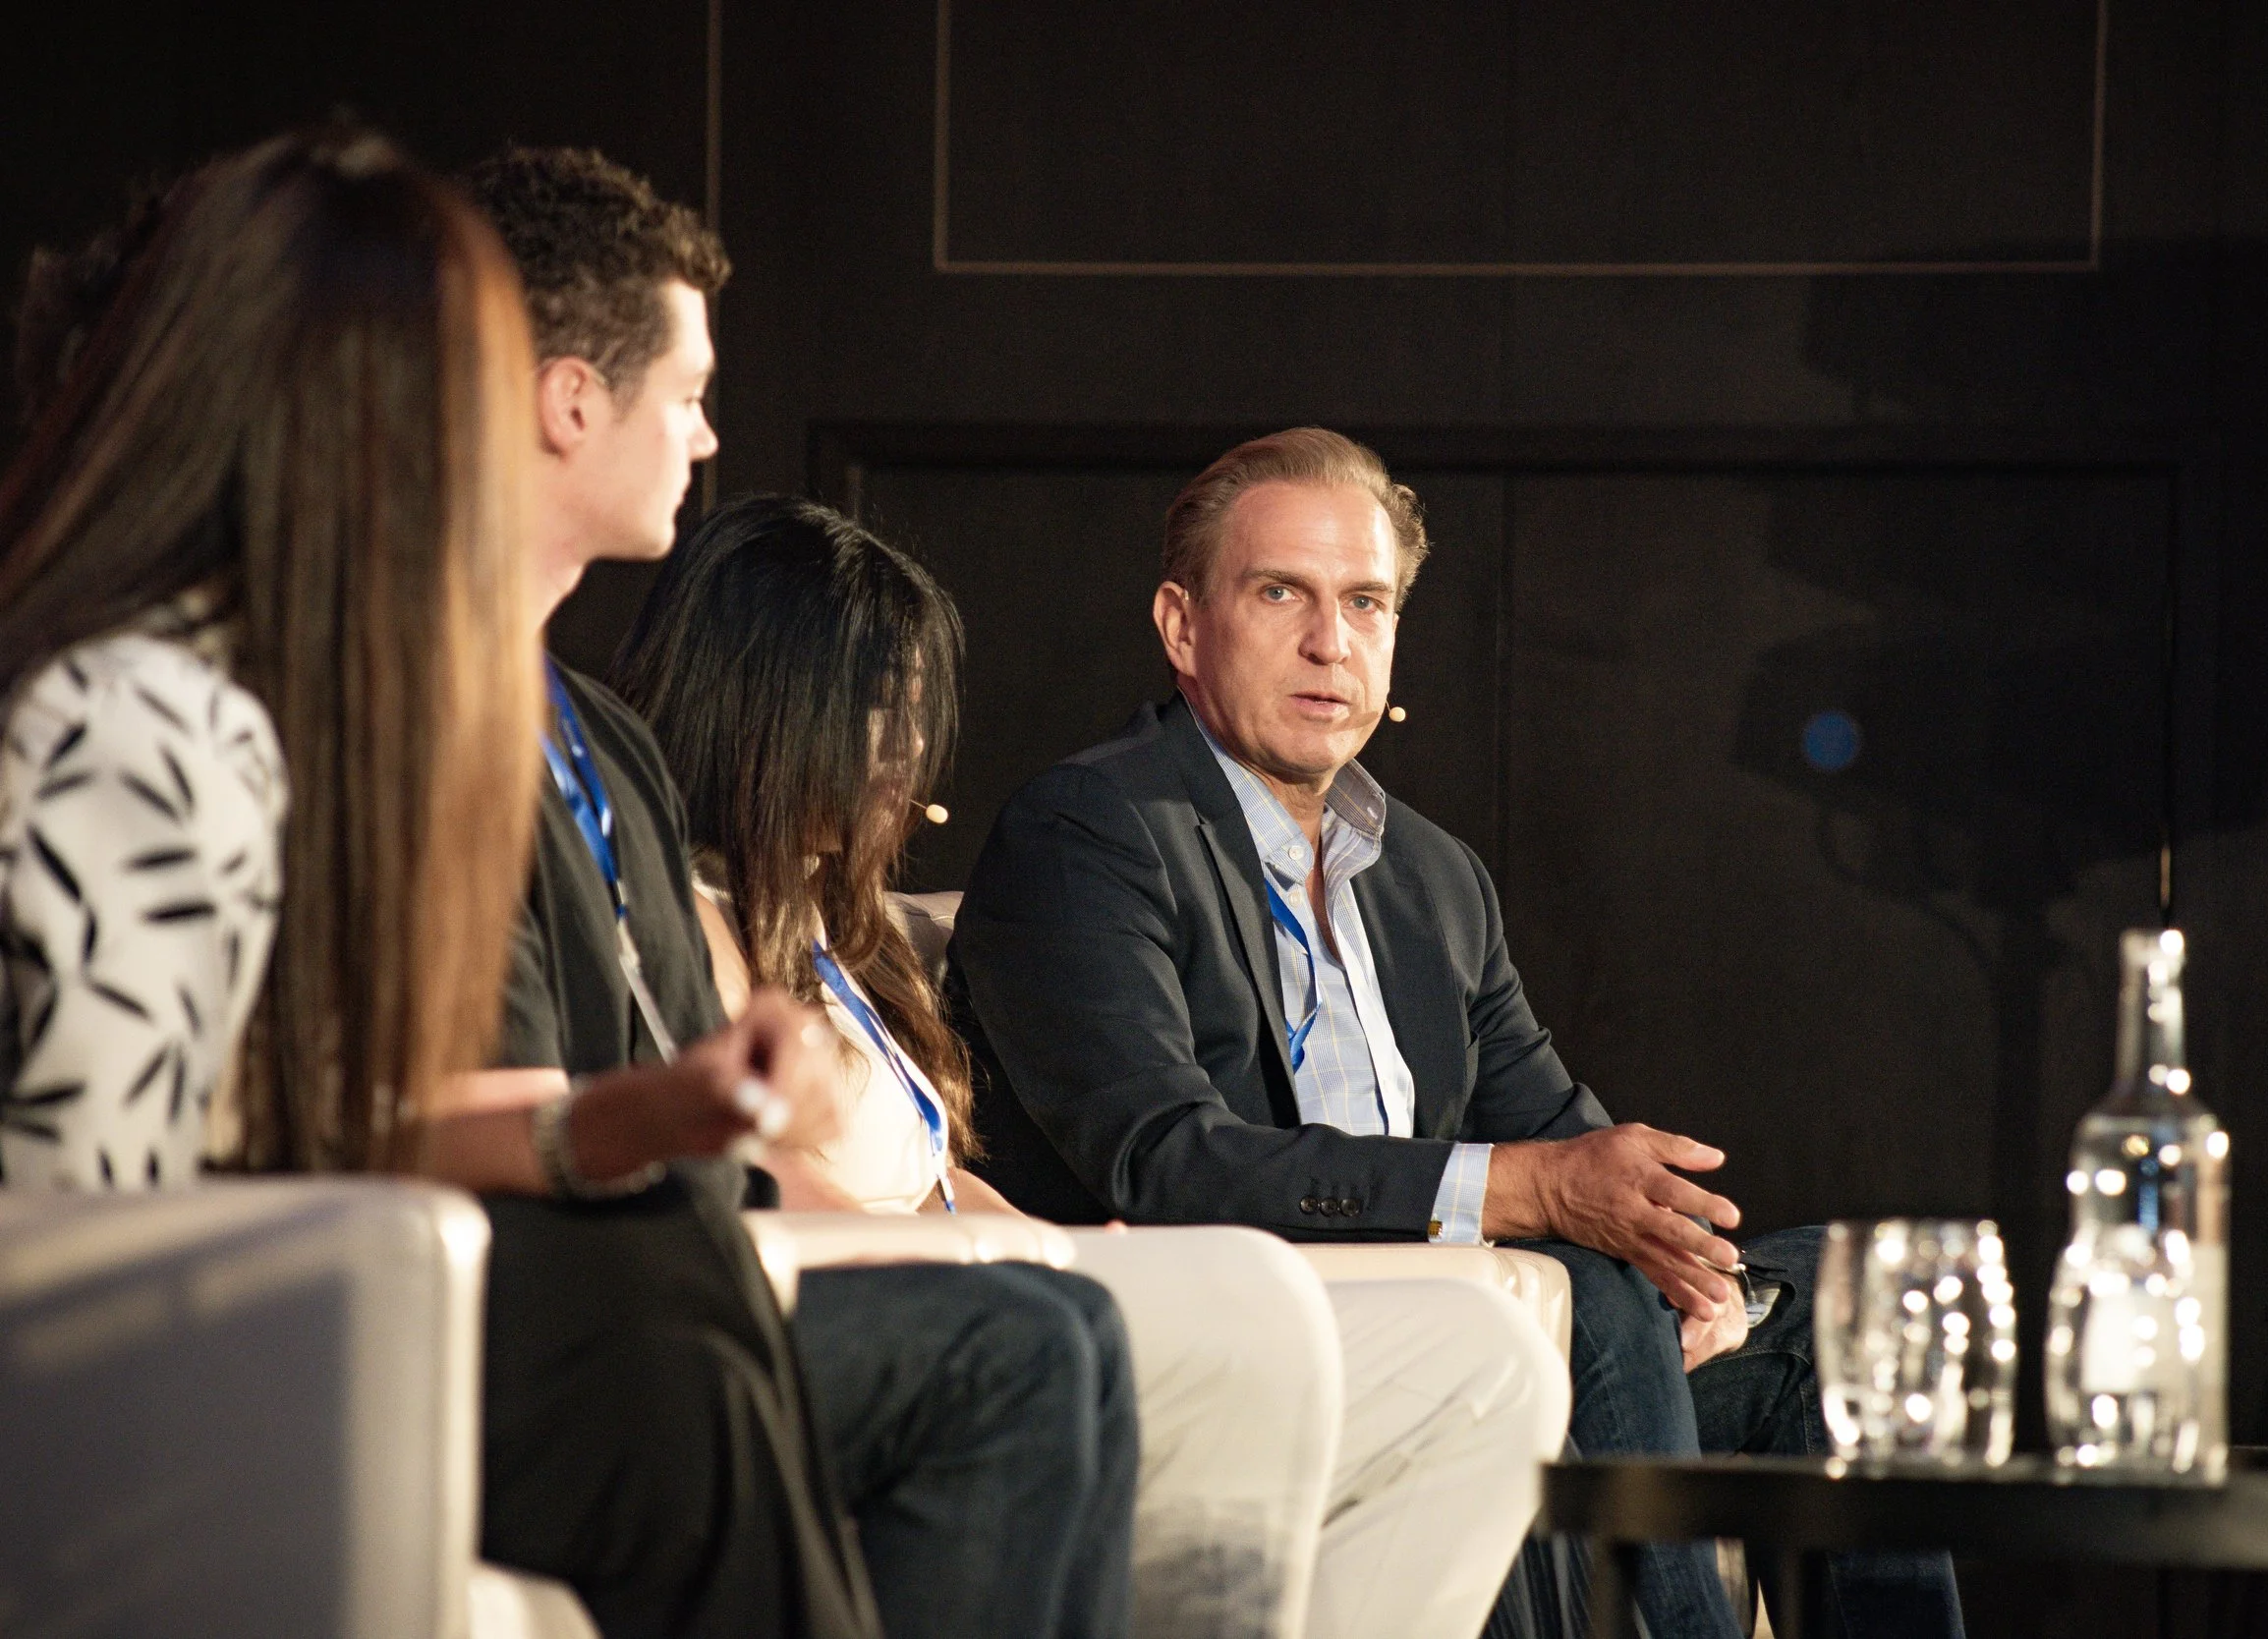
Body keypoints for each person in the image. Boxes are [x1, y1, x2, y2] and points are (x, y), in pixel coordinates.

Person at [0, 129, 873, 1639]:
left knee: (676, 1285)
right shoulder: (138, 715)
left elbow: (320, 1113)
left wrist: (645, 1117)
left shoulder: (264, 695)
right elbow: (87, 1233)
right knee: (648, 1317)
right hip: (123, 1365)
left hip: (278, 1292)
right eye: (463, 379)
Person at [949, 427, 1968, 1639]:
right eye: (1281, 594)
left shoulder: (1433, 876)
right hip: (1258, 1343)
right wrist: (1537, 1202)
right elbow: (1166, 1161)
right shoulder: (1093, 829)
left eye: (1365, 602)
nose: (1331, 642)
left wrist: (1667, 1254)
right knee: (1577, 1293)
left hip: (1509, 1323)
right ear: (1182, 626)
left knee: (1833, 1303)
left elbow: (1551, 1128)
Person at [609, 489, 1573, 1639]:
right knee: (1246, 1297)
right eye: (875, 711)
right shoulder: (669, 920)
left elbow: (931, 1172)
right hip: (869, 1321)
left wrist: (1046, 1242)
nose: (903, 757)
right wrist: (1017, 1254)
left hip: (988, 1279)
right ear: (763, 706)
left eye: (917, 716)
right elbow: (770, 1192)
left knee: (1487, 1358)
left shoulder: (832, 937)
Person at [458, 145, 1146, 1639]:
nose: (707, 442)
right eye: (691, 396)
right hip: (559, 1307)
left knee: (1068, 1320)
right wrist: (690, 1116)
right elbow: (519, 1103)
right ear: (573, 400)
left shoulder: (599, 734)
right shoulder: (419, 715)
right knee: (1024, 1344)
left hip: (677, 1265)